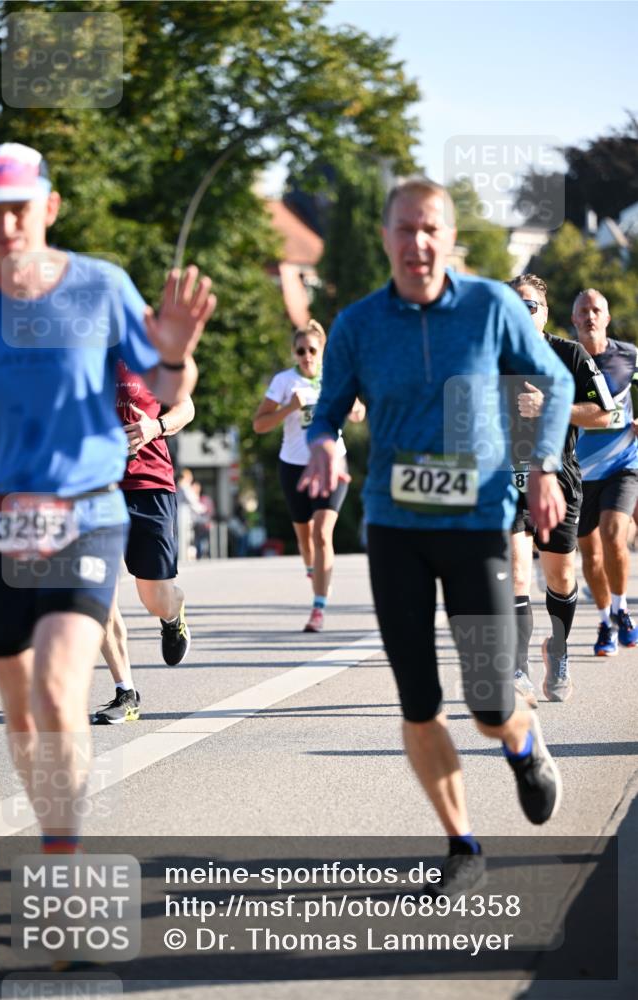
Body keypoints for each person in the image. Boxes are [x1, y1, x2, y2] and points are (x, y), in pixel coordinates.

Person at [299, 177, 574, 897]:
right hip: (394, 528)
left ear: (448, 238)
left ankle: (521, 741)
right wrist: (325, 440)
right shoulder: (357, 325)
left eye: (430, 230)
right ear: (386, 236)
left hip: (476, 522)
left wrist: (543, 466)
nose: (417, 243)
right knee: (417, 699)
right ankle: (461, 845)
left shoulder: (489, 307)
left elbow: (553, 381)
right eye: (403, 229)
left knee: (486, 700)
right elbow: (326, 412)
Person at [0, 142, 216, 853]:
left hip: (85, 514)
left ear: (48, 208)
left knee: (56, 690)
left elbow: (170, 393)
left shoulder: (99, 287)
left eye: (18, 209)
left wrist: (173, 354)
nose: (6, 225)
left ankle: (62, 854)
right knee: (21, 712)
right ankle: (56, 828)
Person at [507, 275, 613, 705]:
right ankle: (517, 667)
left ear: (545, 312)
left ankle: (558, 647)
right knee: (516, 572)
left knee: (561, 577)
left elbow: (604, 414)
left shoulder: (569, 355)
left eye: (529, 306)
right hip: (507, 477)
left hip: (560, 477)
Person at [91, 364, 195, 725]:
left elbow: (186, 407)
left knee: (154, 597)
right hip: (95, 486)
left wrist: (156, 427)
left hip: (148, 485)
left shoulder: (148, 352)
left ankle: (172, 611)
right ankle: (126, 692)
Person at [253, 319, 365, 632]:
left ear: (321, 351)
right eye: (300, 351)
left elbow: (359, 413)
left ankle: (318, 609)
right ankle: (314, 571)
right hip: (294, 465)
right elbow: (259, 424)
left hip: (332, 464)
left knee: (321, 533)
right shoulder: (284, 381)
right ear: (294, 352)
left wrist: (352, 403)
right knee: (305, 540)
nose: (306, 356)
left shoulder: (335, 376)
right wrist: (289, 407)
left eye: (312, 350)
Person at [573, 289, 638, 654]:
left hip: (623, 464)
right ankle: (604, 622)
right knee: (591, 556)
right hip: (579, 473)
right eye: (583, 311)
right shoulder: (565, 358)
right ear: (574, 320)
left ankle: (621, 608)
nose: (590, 316)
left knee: (614, 535)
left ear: (607, 317)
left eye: (596, 309)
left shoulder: (629, 354)